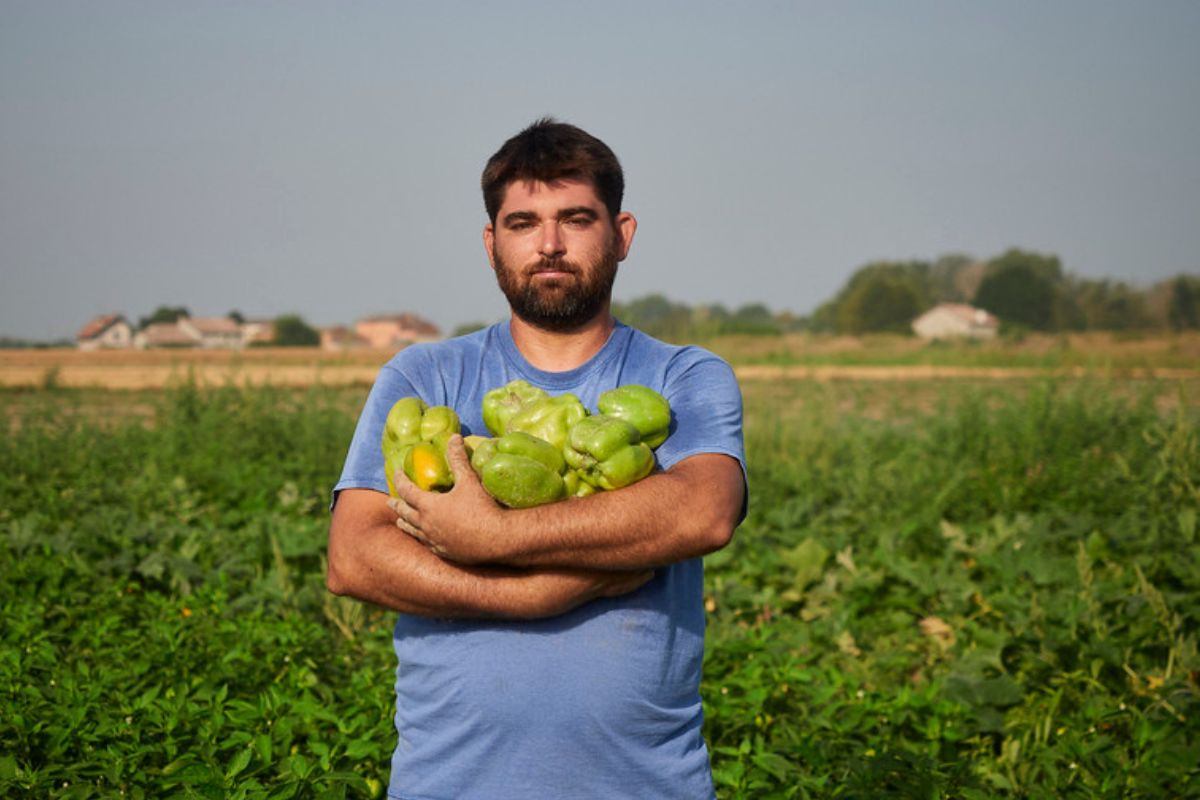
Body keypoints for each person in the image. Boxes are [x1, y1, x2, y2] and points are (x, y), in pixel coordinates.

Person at [327, 117, 747, 800]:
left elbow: (703, 509)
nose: (549, 245)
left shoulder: (682, 376)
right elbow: (353, 557)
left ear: (622, 235)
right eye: (523, 224)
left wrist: (489, 535)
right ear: (493, 244)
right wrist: (533, 594)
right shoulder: (425, 375)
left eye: (576, 218)